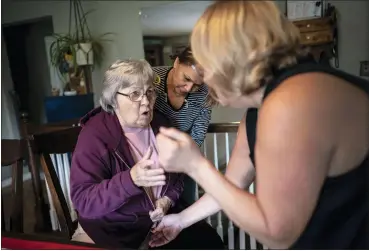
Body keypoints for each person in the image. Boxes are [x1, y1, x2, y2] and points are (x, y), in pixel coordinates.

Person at [150, 1, 369, 250]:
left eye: (206, 65)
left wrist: (196, 166)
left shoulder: (294, 100)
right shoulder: (258, 111)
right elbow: (231, 186)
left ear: (231, 60)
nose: (205, 79)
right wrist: (180, 220)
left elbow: (278, 233)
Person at [69, 59, 224, 249]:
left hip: (160, 223)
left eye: (149, 92)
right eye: (135, 94)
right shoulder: (94, 133)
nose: (146, 101)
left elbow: (176, 178)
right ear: (113, 98)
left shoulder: (161, 124)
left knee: (210, 242)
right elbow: (84, 201)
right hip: (115, 228)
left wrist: (166, 201)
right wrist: (131, 179)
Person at [152, 46, 213, 206]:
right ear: (177, 62)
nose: (189, 88)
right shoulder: (150, 78)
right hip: (149, 158)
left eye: (197, 85)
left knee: (185, 206)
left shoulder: (204, 94)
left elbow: (197, 135)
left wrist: (181, 159)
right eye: (186, 78)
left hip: (182, 159)